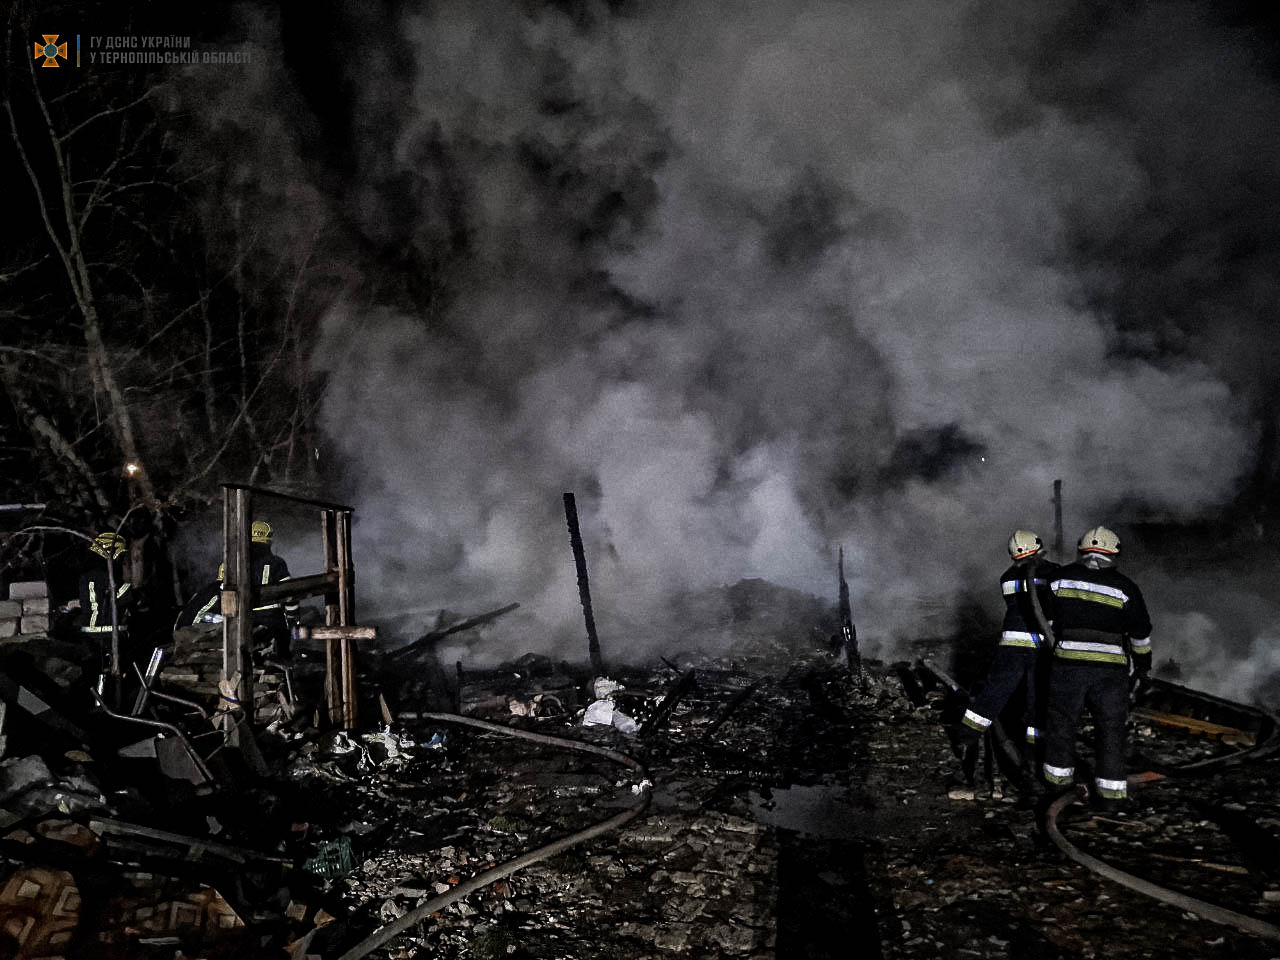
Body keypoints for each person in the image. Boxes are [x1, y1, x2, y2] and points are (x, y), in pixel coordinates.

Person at [1042, 525, 1152, 811]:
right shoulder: (1126, 588)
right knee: (1111, 729)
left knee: (1061, 724)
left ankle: (1057, 787)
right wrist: (1143, 668)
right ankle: (1112, 798)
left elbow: (1048, 623)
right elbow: (1140, 634)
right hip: (1110, 671)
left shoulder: (1058, 580)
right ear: (1114, 554)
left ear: (1081, 550)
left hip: (1067, 665)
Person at [957, 530, 1058, 787]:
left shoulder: (1007, 578)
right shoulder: (1050, 573)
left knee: (994, 692)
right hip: (1038, 647)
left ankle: (966, 736)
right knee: (1038, 700)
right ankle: (1035, 756)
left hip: (1010, 646)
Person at [79, 531, 134, 664]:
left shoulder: (85, 576)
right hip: (110, 630)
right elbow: (119, 599)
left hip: (88, 631)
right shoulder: (108, 576)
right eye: (119, 554)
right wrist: (130, 586)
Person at [248, 520, 298, 657]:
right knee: (283, 645)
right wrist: (293, 617)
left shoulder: (238, 563)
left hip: (245, 617)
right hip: (272, 617)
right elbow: (289, 592)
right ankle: (283, 662)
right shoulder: (277, 563)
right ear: (268, 541)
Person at [175, 563, 223, 630]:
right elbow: (199, 614)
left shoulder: (212, 588)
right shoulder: (216, 592)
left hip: (182, 628)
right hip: (186, 630)